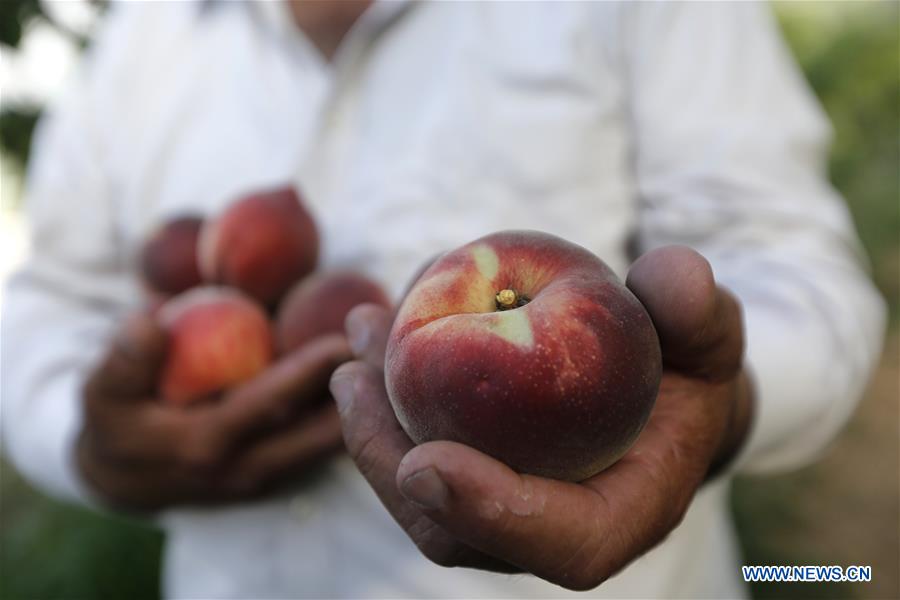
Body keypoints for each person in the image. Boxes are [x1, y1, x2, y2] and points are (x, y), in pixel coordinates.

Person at [1, 1, 885, 598]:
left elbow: (791, 261)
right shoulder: (142, 35)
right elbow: (55, 295)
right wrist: (84, 443)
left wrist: (716, 407)